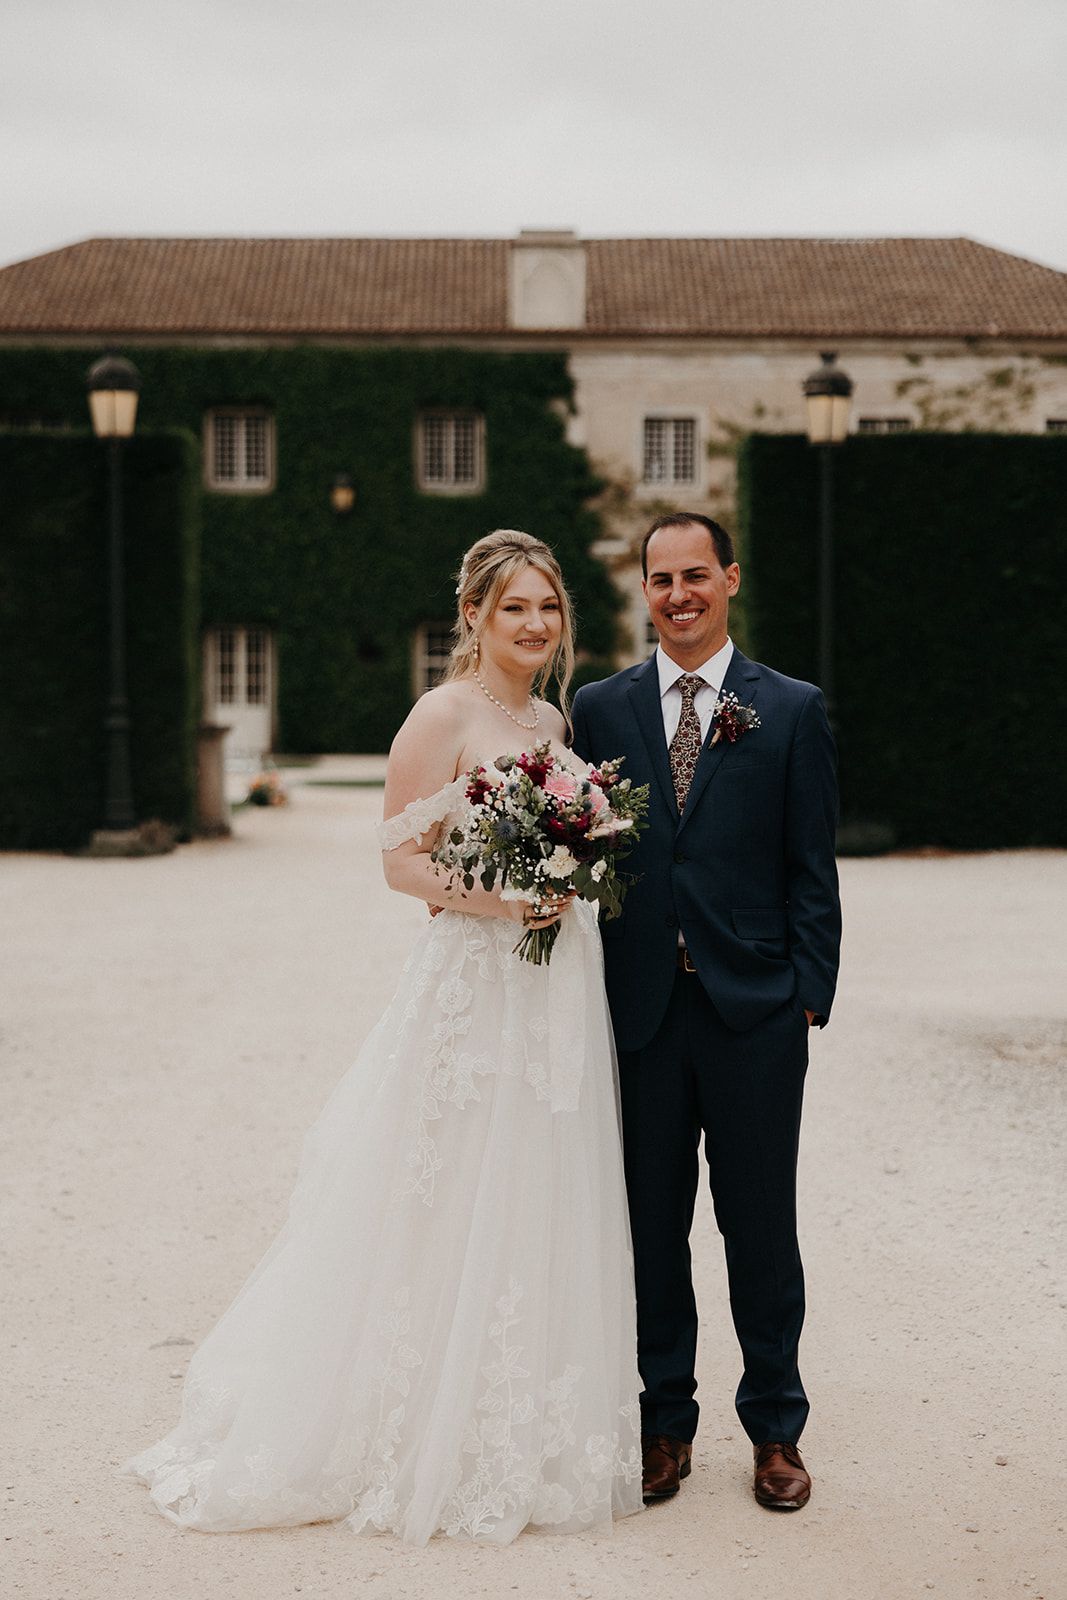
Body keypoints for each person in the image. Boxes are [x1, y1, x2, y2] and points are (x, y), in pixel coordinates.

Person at [118, 530, 643, 1544]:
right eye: (513, 608)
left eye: (547, 607)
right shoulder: (439, 715)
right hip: (477, 981)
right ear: (473, 616)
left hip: (555, 982)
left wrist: (572, 875)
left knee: (537, 1178)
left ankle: (519, 1419)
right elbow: (400, 864)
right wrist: (512, 900)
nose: (534, 624)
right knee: (445, 1185)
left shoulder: (550, 715)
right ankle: (415, 1422)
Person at [571, 512, 841, 1512]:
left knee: (759, 1227)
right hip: (637, 1014)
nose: (677, 593)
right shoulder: (596, 709)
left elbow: (812, 867)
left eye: (694, 574)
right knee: (651, 1227)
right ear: (641, 590)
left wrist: (805, 994)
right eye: (658, 579)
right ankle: (662, 1423)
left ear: (727, 577)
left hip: (755, 1013)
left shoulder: (792, 708)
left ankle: (775, 1428)